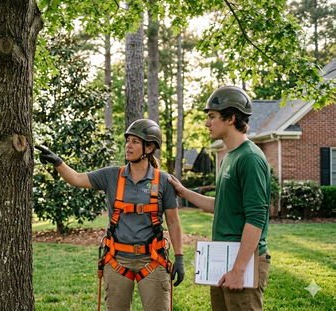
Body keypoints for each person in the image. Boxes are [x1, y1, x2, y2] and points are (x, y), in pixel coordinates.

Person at [35, 119, 184, 311]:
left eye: (135, 142)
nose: (128, 146)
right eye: (127, 141)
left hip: (153, 260)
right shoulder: (112, 175)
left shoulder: (164, 181)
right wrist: (58, 162)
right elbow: (76, 178)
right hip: (117, 260)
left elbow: (173, 222)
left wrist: (179, 257)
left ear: (149, 148)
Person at [168, 85, 271, 311]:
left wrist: (239, 269)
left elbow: (256, 216)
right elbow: (223, 206)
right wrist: (184, 192)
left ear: (231, 118)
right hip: (223, 259)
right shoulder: (229, 157)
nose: (207, 123)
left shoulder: (250, 158)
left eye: (212, 117)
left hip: (242, 262)